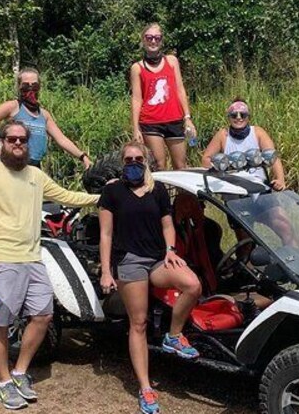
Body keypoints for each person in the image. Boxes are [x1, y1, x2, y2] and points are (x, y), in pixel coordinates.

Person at [0, 119, 99, 410]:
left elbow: (67, 196)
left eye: (22, 140)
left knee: (43, 315)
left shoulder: (35, 175)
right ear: (1, 142)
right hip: (1, 259)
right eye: (11, 139)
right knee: (0, 322)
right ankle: (3, 382)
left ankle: (19, 372)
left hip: (33, 258)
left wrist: (105, 198)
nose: (17, 144)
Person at [98, 141, 202, 414]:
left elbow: (167, 224)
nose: (133, 163)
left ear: (147, 161)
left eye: (138, 158)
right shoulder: (112, 191)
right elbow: (106, 234)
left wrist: (170, 250)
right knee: (139, 323)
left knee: (192, 284)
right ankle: (145, 387)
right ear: (122, 162)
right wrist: (107, 270)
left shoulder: (157, 190)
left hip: (157, 259)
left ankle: (174, 334)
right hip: (129, 261)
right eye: (128, 159)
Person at [0, 67, 93, 169]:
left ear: (39, 87)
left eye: (34, 86)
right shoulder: (13, 107)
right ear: (19, 87)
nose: (30, 89)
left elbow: (61, 139)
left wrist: (82, 156)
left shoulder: (44, 114)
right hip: (14, 165)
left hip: (34, 167)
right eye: (26, 86)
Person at [130, 23, 196, 170]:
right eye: (149, 38)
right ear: (143, 40)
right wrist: (135, 128)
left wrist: (187, 118)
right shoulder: (137, 68)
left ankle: (182, 194)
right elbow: (136, 98)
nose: (153, 41)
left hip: (175, 119)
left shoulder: (171, 61)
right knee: (160, 165)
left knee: (181, 165)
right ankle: (161, 193)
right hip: (151, 121)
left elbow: (180, 89)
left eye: (157, 38)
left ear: (161, 41)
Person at [201, 98, 286, 190]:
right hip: (233, 186)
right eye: (234, 115)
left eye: (243, 115)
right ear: (229, 117)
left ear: (248, 117)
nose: (238, 118)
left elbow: (273, 156)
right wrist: (220, 171)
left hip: (258, 183)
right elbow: (206, 159)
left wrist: (280, 179)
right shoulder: (222, 135)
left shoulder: (258, 132)